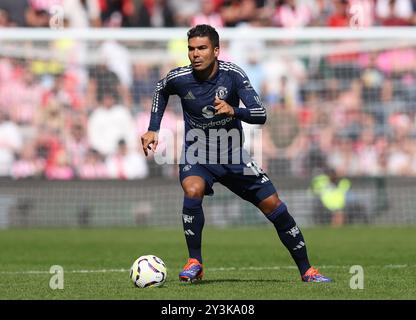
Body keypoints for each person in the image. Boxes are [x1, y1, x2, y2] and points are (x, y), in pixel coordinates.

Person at [141, 24, 331, 283]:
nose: (195, 54)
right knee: (193, 190)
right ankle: (194, 261)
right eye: (191, 49)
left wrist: (234, 110)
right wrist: (153, 129)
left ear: (216, 50)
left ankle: (307, 271)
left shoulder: (233, 75)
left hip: (233, 156)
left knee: (274, 205)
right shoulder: (180, 77)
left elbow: (260, 114)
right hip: (197, 154)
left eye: (202, 48)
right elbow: (161, 89)